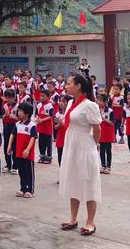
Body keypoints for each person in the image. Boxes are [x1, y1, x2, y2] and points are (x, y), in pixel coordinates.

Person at [59, 74, 101, 236]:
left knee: (89, 183)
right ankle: (73, 218)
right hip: (72, 145)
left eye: (68, 83)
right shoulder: (71, 102)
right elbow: (70, 123)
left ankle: (90, 222)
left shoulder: (90, 105)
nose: (65, 85)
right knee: (73, 180)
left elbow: (97, 129)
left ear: (78, 86)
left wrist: (93, 145)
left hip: (85, 146)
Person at [7, 102, 37, 198]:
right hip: (19, 152)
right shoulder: (17, 124)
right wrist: (9, 146)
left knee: (29, 172)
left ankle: (30, 189)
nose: (18, 112)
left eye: (20, 111)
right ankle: (23, 188)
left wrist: (28, 149)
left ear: (27, 114)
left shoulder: (32, 125)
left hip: (28, 154)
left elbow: (33, 137)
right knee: (21, 171)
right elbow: (12, 135)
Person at [35, 89, 54, 164]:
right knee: (41, 143)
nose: (41, 97)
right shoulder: (39, 105)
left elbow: (51, 116)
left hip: (47, 128)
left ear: (48, 97)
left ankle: (48, 158)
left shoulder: (49, 106)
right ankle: (42, 156)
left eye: (43, 96)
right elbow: (36, 114)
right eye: (40, 96)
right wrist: (37, 119)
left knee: (48, 144)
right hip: (40, 128)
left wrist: (42, 120)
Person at [2, 89, 19, 175]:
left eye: (10, 98)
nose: (8, 100)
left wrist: (11, 116)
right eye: (7, 98)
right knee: (6, 146)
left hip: (15, 127)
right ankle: (8, 165)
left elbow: (20, 119)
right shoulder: (5, 105)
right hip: (6, 127)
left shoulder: (18, 106)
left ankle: (15, 166)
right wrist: (5, 115)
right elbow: (3, 116)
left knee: (14, 147)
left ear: (14, 97)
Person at [97, 94, 113, 174]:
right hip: (101, 134)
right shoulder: (97, 110)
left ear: (105, 102)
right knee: (101, 150)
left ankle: (108, 166)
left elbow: (112, 123)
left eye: (100, 100)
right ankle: (103, 165)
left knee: (108, 150)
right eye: (98, 100)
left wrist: (104, 119)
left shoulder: (110, 111)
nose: (98, 102)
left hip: (108, 134)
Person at [54, 95, 71, 167]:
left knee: (67, 159)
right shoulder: (58, 114)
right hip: (60, 138)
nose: (61, 103)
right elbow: (55, 127)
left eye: (63, 101)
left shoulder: (71, 114)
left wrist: (61, 123)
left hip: (68, 138)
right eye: (60, 101)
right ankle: (61, 176)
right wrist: (58, 125)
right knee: (60, 158)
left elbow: (69, 127)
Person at [124, 92, 130, 157]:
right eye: (128, 99)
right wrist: (122, 125)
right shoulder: (126, 108)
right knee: (129, 143)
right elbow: (123, 116)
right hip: (128, 128)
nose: (128, 100)